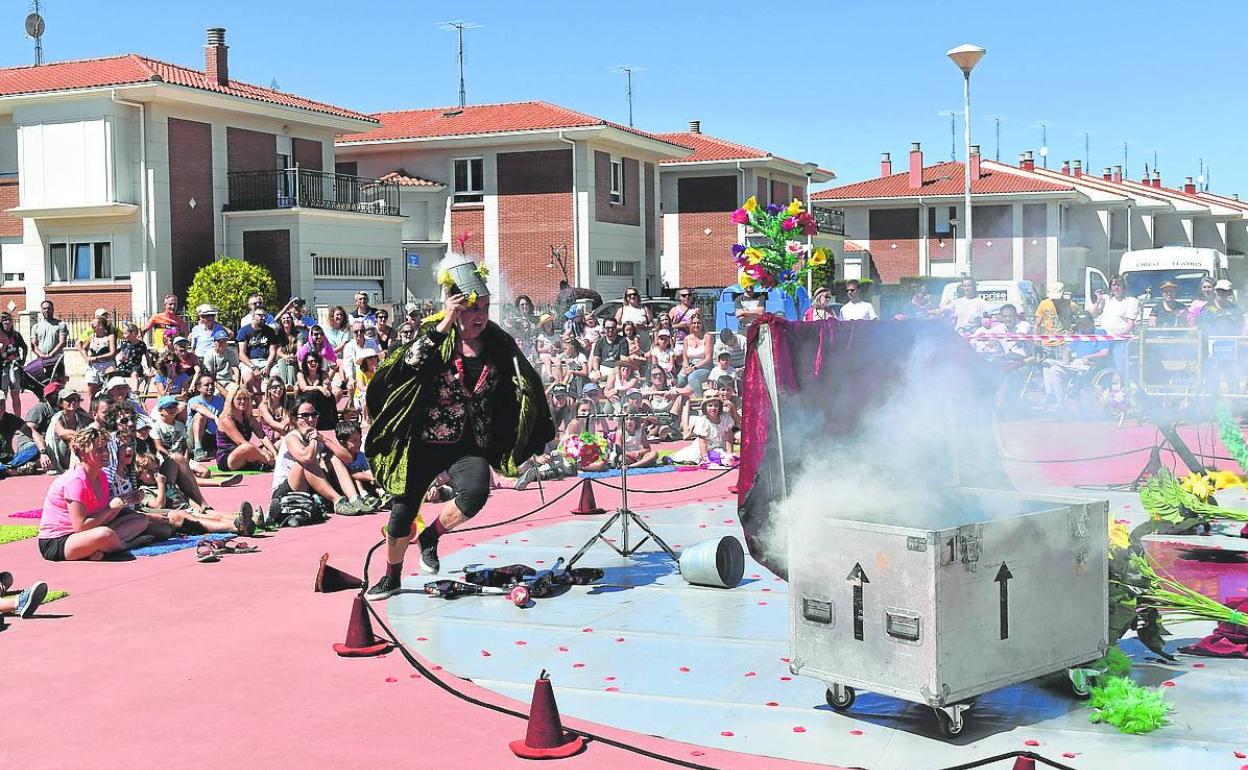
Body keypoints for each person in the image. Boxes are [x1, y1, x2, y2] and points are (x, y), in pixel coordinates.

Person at [363, 255, 554, 599]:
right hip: (424, 440)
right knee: (402, 513)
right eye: (472, 308)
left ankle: (431, 537)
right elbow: (406, 367)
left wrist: (533, 426)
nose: (480, 314)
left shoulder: (498, 342)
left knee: (477, 492)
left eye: (485, 306)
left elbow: (523, 381)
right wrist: (443, 326)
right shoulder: (435, 336)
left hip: (469, 442)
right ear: (454, 306)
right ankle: (391, 577)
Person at [37, 427, 166, 561]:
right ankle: (124, 546)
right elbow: (81, 527)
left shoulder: (101, 476)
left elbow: (101, 515)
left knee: (140, 520)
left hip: (88, 532)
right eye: (99, 450)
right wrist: (112, 508)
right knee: (104, 534)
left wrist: (125, 501)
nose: (105, 453)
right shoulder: (75, 481)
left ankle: (100, 549)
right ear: (81, 453)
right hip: (59, 541)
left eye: (106, 448)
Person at [270, 397, 367, 520]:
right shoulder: (291, 437)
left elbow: (348, 458)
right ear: (294, 419)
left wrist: (324, 439)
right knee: (305, 463)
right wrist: (313, 438)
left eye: (314, 415)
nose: (311, 419)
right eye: (305, 415)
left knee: (333, 458)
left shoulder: (317, 436)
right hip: (284, 492)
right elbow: (307, 458)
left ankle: (355, 499)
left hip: (308, 489)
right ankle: (337, 501)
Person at [1042, 314, 1111, 411]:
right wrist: (1066, 359)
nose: (1082, 327)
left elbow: (1104, 352)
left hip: (1088, 365)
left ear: (1092, 323)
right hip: (1073, 364)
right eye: (1081, 324)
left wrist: (1088, 356)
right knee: (1050, 366)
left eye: (1085, 324)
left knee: (1053, 368)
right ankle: (1057, 401)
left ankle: (1056, 400)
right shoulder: (1080, 335)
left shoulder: (1100, 333)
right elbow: (1068, 349)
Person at [214, 384, 276, 472]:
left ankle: (267, 461)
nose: (243, 402)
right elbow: (241, 442)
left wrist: (274, 452)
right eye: (239, 399)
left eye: (246, 399)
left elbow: (262, 436)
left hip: (246, 454)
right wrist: (264, 453)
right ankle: (271, 463)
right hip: (229, 458)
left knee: (277, 444)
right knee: (246, 447)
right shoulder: (226, 420)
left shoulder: (249, 418)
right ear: (231, 401)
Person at [1088, 274, 1140, 374]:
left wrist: (1121, 335)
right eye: (1114, 285)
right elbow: (1093, 314)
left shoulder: (1130, 301)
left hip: (1121, 340)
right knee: (1096, 358)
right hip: (1104, 339)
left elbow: (1130, 324)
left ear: (1123, 287)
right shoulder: (1106, 300)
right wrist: (1098, 301)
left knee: (1118, 356)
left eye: (1118, 285)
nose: (1116, 287)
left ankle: (1124, 383)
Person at [670, 396, 736, 465]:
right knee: (693, 458)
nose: (713, 408)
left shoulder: (725, 418)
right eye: (710, 406)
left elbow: (729, 438)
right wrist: (705, 457)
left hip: (719, 447)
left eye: (716, 406)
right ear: (705, 408)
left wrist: (730, 454)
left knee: (726, 458)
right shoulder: (703, 421)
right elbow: (702, 442)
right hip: (703, 449)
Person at [236, 307, 278, 392]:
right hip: (249, 362)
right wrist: (254, 368)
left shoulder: (270, 331)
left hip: (266, 361)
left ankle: (269, 402)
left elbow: (273, 352)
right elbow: (241, 354)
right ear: (253, 316)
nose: (263, 318)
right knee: (248, 379)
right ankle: (253, 402)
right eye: (260, 315)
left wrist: (268, 367)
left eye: (265, 316)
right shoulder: (244, 331)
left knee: (275, 378)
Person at [186, 373, 225, 461]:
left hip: (213, 436)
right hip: (195, 437)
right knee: (200, 416)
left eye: (212, 384)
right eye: (207, 385)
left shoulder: (220, 400)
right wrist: (215, 417)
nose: (210, 387)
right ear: (199, 388)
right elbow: (198, 408)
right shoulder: (193, 400)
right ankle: (198, 449)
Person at [296, 351, 338, 431]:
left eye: (315, 361)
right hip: (305, 399)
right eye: (310, 361)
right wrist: (319, 388)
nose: (313, 363)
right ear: (306, 363)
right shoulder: (301, 374)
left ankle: (328, 422)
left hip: (320, 401)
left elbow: (327, 387)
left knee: (330, 396)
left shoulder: (323, 373)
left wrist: (326, 385)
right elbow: (303, 388)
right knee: (312, 394)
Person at [0, 396, 41, 477]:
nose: (1, 407)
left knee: (35, 448)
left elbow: (31, 432)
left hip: (10, 459)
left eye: (2, 403)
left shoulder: (11, 419)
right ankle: (12, 470)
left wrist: (43, 450)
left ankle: (7, 469)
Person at [24, 382, 61, 471]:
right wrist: (43, 449)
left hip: (52, 443)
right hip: (33, 443)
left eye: (59, 394)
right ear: (47, 396)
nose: (57, 397)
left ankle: (35, 464)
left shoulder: (66, 408)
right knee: (34, 450)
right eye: (54, 394)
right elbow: (28, 430)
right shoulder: (40, 409)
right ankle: (24, 465)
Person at [79, 314, 116, 400]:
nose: (92, 327)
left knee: (108, 390)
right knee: (91, 392)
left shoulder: (110, 337)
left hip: (107, 364)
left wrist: (97, 358)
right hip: (93, 366)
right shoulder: (92, 337)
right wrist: (86, 358)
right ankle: (91, 410)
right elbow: (83, 348)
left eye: (93, 325)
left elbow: (112, 353)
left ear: (100, 326)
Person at [30, 300, 70, 380]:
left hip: (56, 361)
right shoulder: (36, 326)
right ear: (41, 310)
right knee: (42, 386)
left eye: (49, 308)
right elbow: (33, 345)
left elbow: (62, 342)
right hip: (41, 362)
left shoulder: (60, 324)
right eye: (44, 308)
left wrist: (51, 355)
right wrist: (42, 355)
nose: (46, 310)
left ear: (53, 309)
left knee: (58, 386)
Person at [677, 312, 713, 394]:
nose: (696, 325)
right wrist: (686, 366)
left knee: (693, 377)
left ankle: (699, 399)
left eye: (698, 323)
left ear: (702, 324)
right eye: (694, 323)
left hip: (705, 367)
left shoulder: (707, 337)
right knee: (679, 379)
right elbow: (685, 356)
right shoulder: (687, 338)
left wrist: (694, 368)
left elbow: (708, 358)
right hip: (690, 365)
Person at [113, 323, 154, 394]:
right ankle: (117, 390)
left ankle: (135, 390)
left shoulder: (141, 344)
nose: (123, 335)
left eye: (125, 333)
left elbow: (147, 357)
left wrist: (149, 368)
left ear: (133, 333)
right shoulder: (124, 344)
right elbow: (121, 355)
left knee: (134, 374)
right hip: (125, 366)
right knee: (115, 373)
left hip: (135, 366)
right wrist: (121, 358)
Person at [589, 318, 628, 384]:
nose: (610, 330)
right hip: (603, 367)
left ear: (616, 328)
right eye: (607, 328)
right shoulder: (600, 341)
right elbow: (596, 358)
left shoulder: (623, 341)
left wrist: (616, 370)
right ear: (604, 329)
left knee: (614, 378)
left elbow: (623, 359)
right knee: (592, 376)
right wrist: (597, 370)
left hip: (616, 367)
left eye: (613, 327)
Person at [258, 375, 292, 440]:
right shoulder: (263, 405)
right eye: (275, 387)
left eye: (281, 387)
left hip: (284, 435)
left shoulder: (288, 404)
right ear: (269, 389)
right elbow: (271, 422)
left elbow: (288, 420)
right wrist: (285, 428)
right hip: (269, 437)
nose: (278, 389)